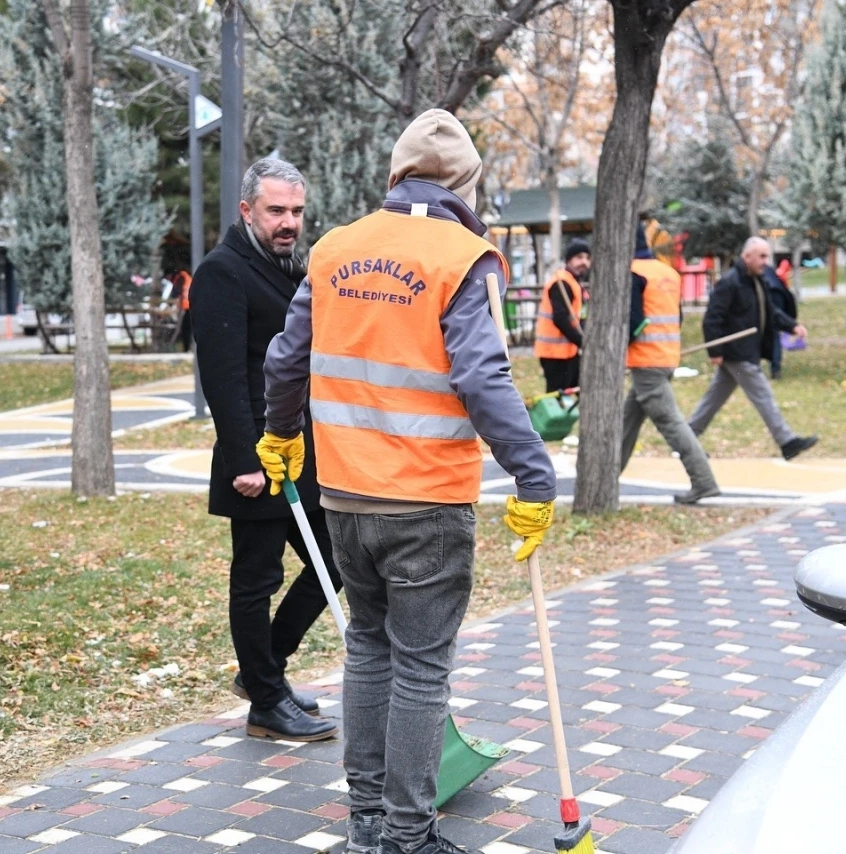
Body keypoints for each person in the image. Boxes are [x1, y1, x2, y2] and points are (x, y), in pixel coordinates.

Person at [256, 109, 558, 854]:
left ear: (396, 176)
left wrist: (279, 432)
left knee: (367, 650)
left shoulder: (334, 249)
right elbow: (483, 377)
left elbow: (286, 360)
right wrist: (534, 476)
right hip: (427, 498)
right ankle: (407, 836)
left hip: (347, 500)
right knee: (420, 668)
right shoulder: (464, 255)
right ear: (465, 184)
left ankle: (366, 824)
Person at [188, 157, 341, 743]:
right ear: (247, 210)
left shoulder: (285, 267)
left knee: (333, 560)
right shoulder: (223, 272)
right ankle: (266, 701)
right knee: (256, 577)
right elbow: (223, 378)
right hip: (256, 454)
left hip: (297, 451)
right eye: (277, 210)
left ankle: (263, 673)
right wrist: (244, 463)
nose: (289, 222)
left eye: (297, 211)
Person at [688, 237, 818, 460]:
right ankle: (786, 441)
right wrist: (716, 352)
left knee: (713, 399)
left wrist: (792, 325)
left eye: (767, 256)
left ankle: (686, 440)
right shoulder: (731, 282)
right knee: (763, 394)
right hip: (737, 353)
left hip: (747, 351)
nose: (765, 262)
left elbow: (771, 311)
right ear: (747, 257)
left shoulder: (757, 281)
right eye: (762, 256)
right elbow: (712, 319)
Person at [620, 226, 720, 504]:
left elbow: (633, 320)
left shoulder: (631, 271)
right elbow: (677, 316)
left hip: (645, 360)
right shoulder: (667, 272)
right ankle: (608, 475)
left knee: (671, 423)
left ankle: (704, 481)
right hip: (665, 356)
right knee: (627, 422)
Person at [534, 239, 590, 392]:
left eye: (587, 257)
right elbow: (560, 318)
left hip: (567, 351)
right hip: (554, 353)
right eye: (579, 257)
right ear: (569, 260)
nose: (584, 262)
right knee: (556, 399)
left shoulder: (573, 282)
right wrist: (583, 341)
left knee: (572, 392)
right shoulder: (562, 283)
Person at [762, 263, 797, 380]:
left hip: (770, 298)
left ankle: (772, 368)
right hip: (779, 296)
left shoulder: (755, 272)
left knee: (772, 333)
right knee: (775, 334)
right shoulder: (770, 270)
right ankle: (775, 369)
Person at [171, 268, 193, 352]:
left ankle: (186, 348)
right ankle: (188, 348)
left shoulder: (180, 277)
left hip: (185, 307)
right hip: (190, 306)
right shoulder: (187, 277)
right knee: (188, 329)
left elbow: (176, 292)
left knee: (185, 329)